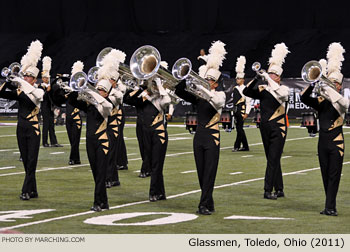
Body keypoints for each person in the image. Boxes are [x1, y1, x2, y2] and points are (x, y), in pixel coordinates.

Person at [176, 40, 227, 215]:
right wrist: (186, 76)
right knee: (201, 172)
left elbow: (217, 101)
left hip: (213, 137)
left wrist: (203, 88)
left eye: (211, 80)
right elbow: (179, 91)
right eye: (207, 79)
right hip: (199, 137)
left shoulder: (219, 95)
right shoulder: (199, 97)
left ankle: (203, 204)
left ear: (216, 83)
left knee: (209, 172)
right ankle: (209, 202)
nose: (207, 82)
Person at [300, 43, 349, 216]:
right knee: (325, 174)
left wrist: (329, 88)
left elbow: (344, 104)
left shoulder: (341, 102)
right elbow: (304, 97)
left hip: (336, 143)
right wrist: (315, 84)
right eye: (330, 81)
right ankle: (329, 204)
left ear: (339, 86)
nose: (331, 84)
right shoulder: (321, 102)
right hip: (323, 142)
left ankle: (331, 207)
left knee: (334, 176)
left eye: (335, 83)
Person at [243, 43, 290, 200]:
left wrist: (269, 81)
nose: (270, 76)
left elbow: (280, 94)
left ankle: (267, 190)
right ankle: (280, 188)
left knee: (273, 158)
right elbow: (246, 91)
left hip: (279, 128)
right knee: (272, 157)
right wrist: (257, 78)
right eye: (269, 73)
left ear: (279, 77)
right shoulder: (264, 90)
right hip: (265, 127)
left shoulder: (283, 90)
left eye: (273, 74)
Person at [0, 40, 44, 200]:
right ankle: (33, 190)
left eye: (28, 76)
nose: (25, 77)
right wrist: (7, 79)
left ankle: (26, 191)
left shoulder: (37, 91)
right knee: (26, 161)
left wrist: (21, 84)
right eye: (25, 75)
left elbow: (31, 98)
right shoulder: (20, 90)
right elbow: (2, 93)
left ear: (34, 79)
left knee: (32, 161)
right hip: (21, 128)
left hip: (33, 130)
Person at [67, 67, 113, 212]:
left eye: (100, 90)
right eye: (97, 88)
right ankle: (104, 202)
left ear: (106, 93)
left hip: (102, 142)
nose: (98, 91)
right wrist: (76, 88)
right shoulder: (89, 106)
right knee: (95, 172)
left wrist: (92, 92)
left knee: (100, 172)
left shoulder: (107, 104)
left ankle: (98, 202)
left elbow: (105, 106)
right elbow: (72, 100)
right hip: (90, 141)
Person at [124, 76, 171, 202]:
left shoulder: (160, 99)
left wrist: (160, 85)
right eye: (152, 84)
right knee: (151, 163)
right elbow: (127, 98)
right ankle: (160, 193)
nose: (153, 87)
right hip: (146, 133)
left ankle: (154, 193)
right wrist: (141, 87)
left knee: (156, 164)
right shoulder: (143, 99)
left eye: (153, 85)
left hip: (159, 134)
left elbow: (167, 100)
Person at [97, 48, 126, 188]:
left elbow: (114, 100)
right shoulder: (105, 90)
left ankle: (110, 178)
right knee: (105, 152)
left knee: (111, 152)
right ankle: (112, 178)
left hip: (113, 125)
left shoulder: (117, 92)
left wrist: (111, 87)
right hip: (103, 124)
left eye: (111, 80)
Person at [40, 56, 62, 148]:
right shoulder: (40, 86)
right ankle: (44, 142)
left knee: (51, 125)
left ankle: (54, 142)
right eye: (45, 78)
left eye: (47, 78)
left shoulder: (49, 86)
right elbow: (41, 97)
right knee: (46, 125)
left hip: (50, 107)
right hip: (44, 107)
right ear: (42, 78)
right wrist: (47, 90)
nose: (46, 79)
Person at [232, 56, 251, 152]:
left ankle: (237, 146)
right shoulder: (235, 88)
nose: (237, 80)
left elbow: (248, 102)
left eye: (239, 79)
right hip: (236, 110)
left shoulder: (245, 89)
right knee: (239, 128)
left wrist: (246, 113)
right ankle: (245, 146)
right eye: (237, 78)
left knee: (239, 129)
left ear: (243, 79)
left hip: (242, 110)